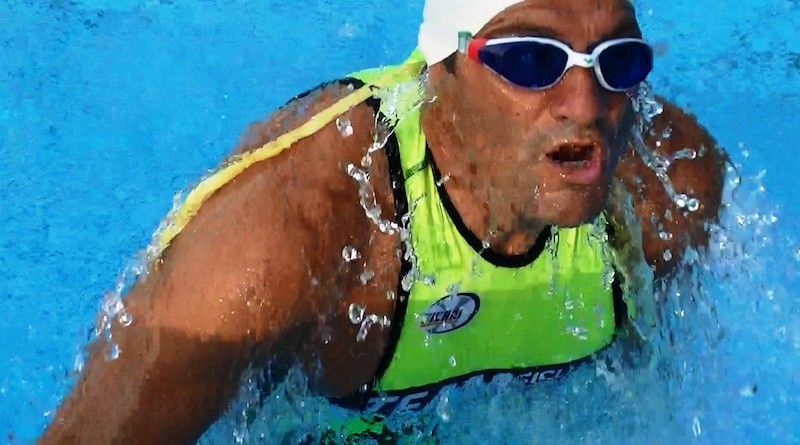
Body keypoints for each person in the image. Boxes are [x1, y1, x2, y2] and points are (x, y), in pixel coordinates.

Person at [40, 0, 726, 443]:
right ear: (442, 69)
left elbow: (652, 398)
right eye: (531, 58)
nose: (586, 100)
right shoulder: (292, 235)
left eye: (619, 60)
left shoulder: (668, 188)